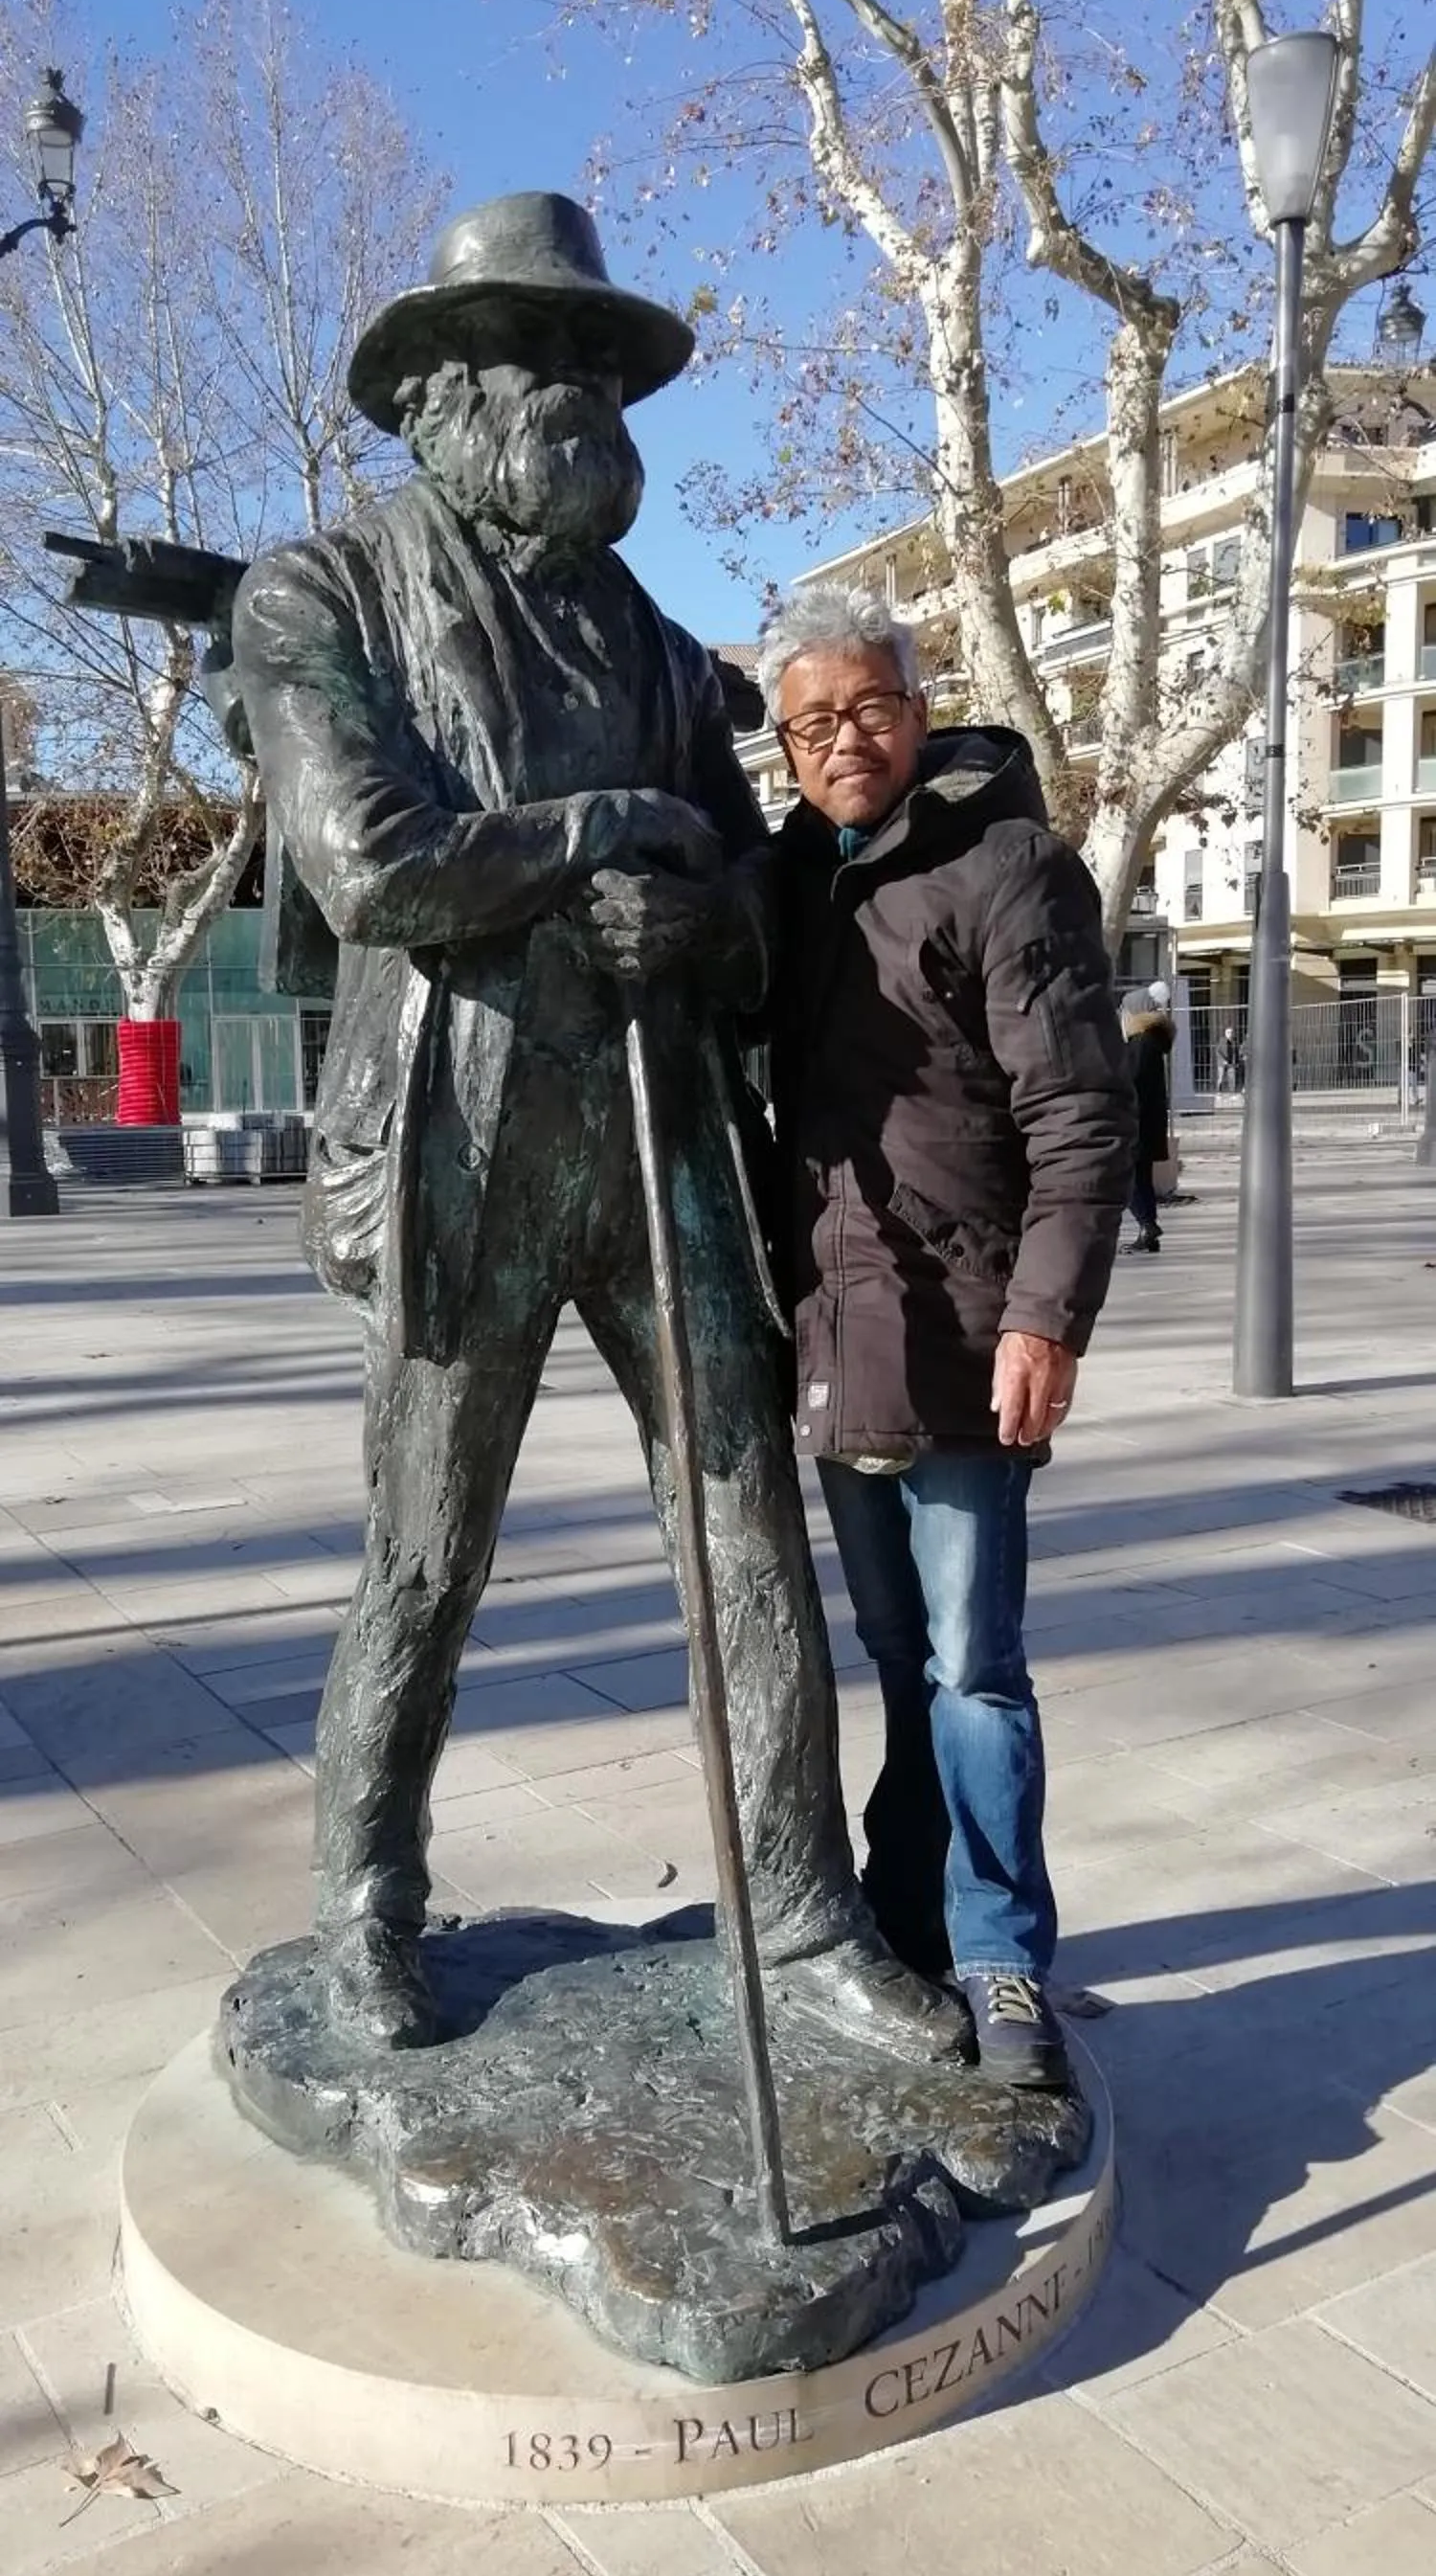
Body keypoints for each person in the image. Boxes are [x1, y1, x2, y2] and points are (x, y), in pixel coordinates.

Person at [227, 196, 959, 2063]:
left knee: (744, 1532)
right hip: (462, 1144)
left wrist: (692, 910)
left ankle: (799, 1920)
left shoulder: (642, 627)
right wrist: (599, 843)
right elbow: (366, 862)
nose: (587, 401)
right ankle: (369, 1906)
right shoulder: (321, 593)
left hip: (656, 1134)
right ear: (447, 400)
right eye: (549, 368)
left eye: (603, 372)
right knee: (426, 1550)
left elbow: (741, 885)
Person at [764, 584, 1134, 2089]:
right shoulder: (783, 881)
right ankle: (906, 1910)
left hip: (975, 1342)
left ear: (918, 711)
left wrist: (1048, 1318)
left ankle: (1000, 1960)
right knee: (900, 1652)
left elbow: (1083, 1116)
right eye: (811, 723)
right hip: (837, 1340)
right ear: (784, 748)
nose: (844, 741)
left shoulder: (1009, 865)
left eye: (869, 708)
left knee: (975, 1666)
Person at [1122, 982, 1176, 1254]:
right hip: (1147, 1121)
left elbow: (1131, 1081)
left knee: (1126, 1176)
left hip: (1136, 1121)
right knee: (1140, 1177)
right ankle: (1148, 1230)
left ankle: (1147, 1224)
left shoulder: (1141, 1044)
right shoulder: (1150, 1043)